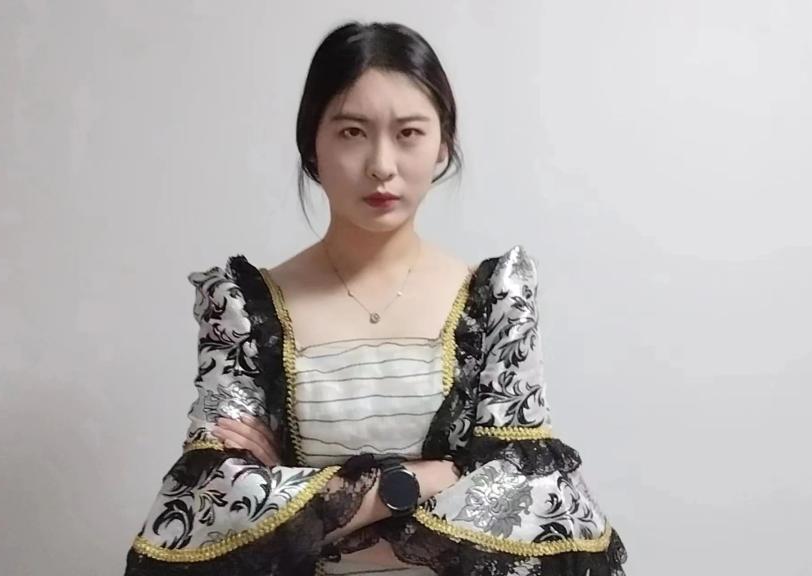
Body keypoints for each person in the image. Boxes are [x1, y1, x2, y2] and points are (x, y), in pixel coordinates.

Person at [123, 20, 628, 576]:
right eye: (352, 132)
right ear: (311, 144)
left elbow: (533, 497)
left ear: (443, 143)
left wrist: (294, 500)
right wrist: (434, 477)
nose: (381, 165)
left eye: (408, 132)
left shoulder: (496, 302)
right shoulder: (240, 307)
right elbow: (209, 510)